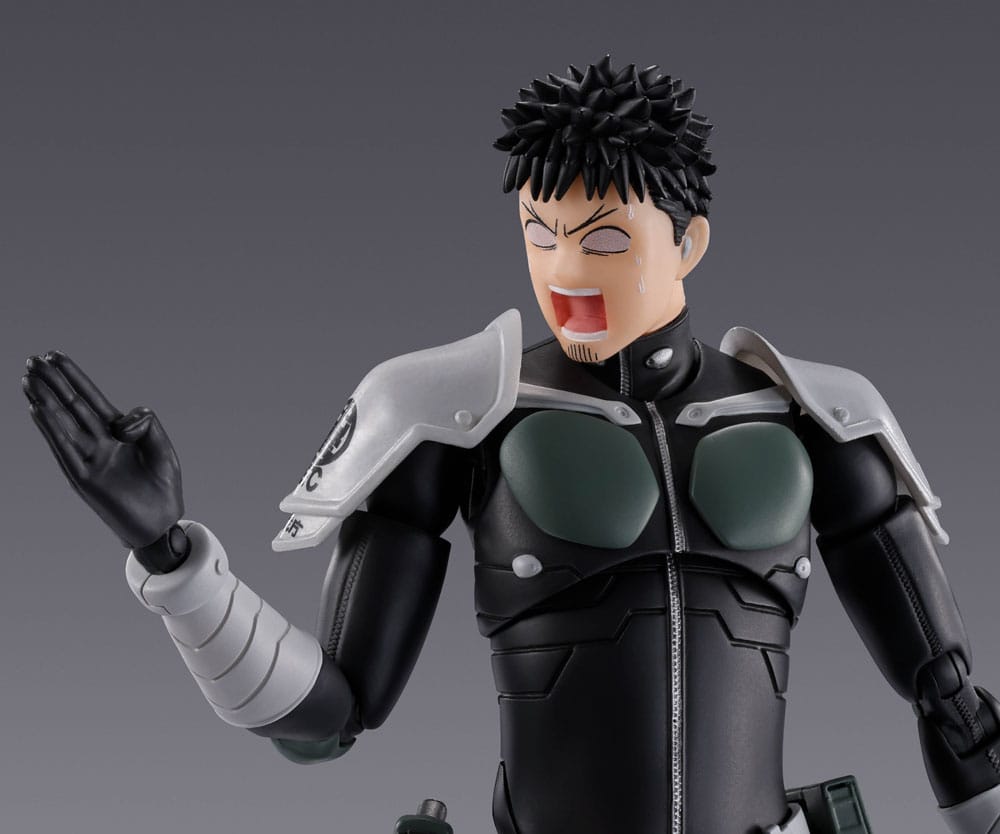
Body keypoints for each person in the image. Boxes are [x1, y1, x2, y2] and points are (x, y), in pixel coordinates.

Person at [22, 56, 1000, 834]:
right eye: (541, 233)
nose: (566, 272)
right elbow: (328, 717)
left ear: (688, 244)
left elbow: (954, 709)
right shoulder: (457, 411)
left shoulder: (815, 415)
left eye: (605, 240)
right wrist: (173, 563)